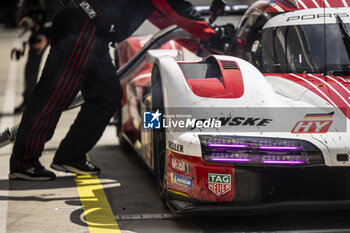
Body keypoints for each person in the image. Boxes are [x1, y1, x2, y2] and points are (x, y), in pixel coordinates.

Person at [9, 0, 231, 181]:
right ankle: (24, 163)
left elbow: (166, 18)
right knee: (54, 96)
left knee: (107, 95)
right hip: (84, 26)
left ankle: (71, 156)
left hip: (93, 32)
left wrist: (203, 41)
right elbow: (177, 9)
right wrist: (211, 35)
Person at [14, 0, 62, 114]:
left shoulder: (58, 3)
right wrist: (29, 22)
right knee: (32, 65)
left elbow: (65, 17)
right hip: (40, 31)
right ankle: (28, 99)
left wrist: (47, 37)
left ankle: (61, 97)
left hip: (61, 30)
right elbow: (20, 18)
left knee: (62, 63)